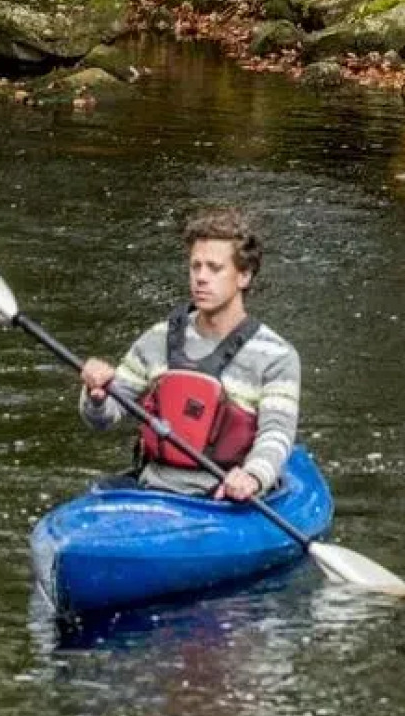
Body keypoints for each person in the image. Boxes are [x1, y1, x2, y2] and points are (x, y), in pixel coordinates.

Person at [77, 207, 301, 500]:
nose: (201, 278)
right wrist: (96, 396)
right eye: (196, 267)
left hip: (225, 498)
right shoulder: (158, 338)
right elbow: (103, 420)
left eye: (214, 268)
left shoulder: (277, 356)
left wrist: (253, 476)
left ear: (244, 276)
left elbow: (276, 434)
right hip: (153, 491)